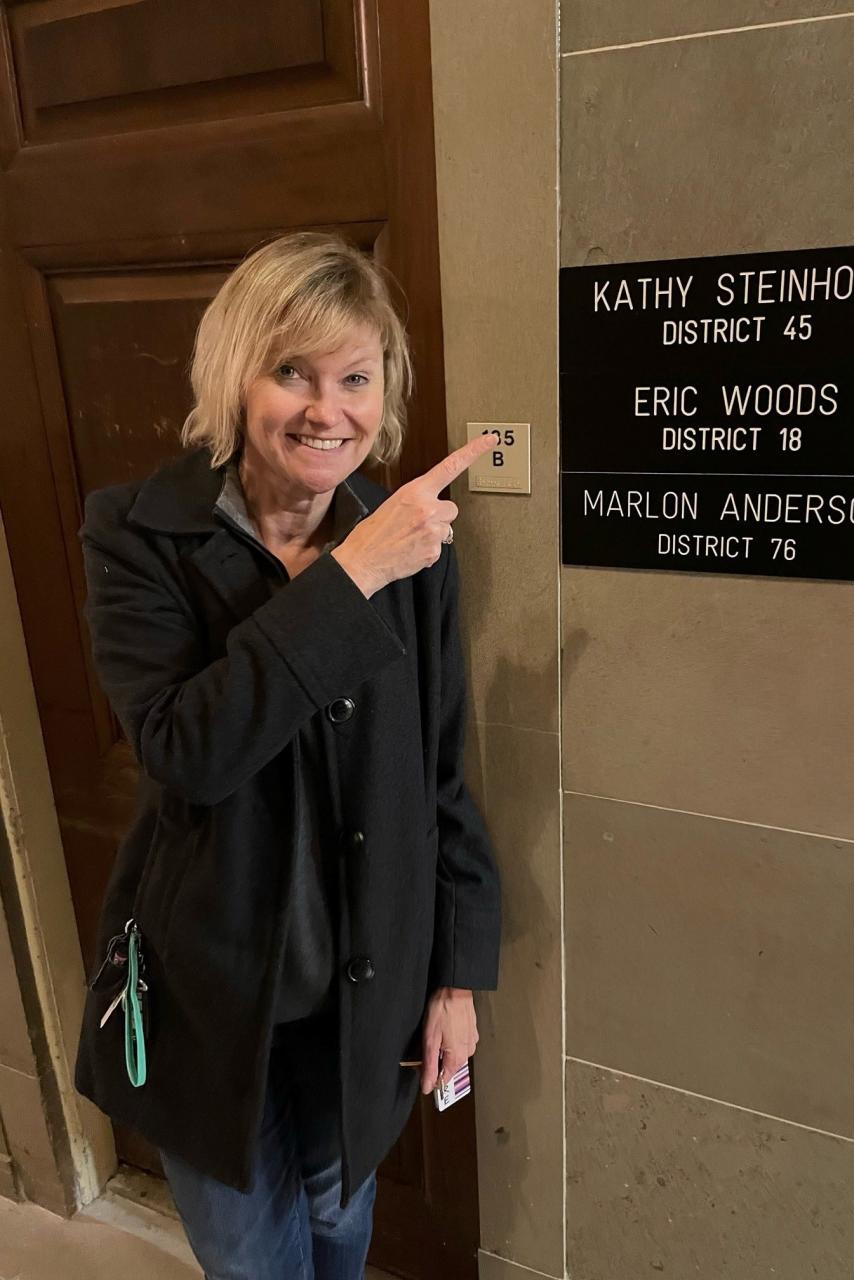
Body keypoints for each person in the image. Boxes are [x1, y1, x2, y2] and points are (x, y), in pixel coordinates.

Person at [73, 231, 502, 1280]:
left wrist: (457, 972)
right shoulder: (138, 532)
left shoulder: (408, 541)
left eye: (356, 377)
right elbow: (187, 749)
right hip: (212, 990)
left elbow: (438, 772)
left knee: (340, 1233)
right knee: (251, 1258)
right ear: (234, 375)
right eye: (291, 372)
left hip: (363, 991)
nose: (328, 409)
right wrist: (348, 578)